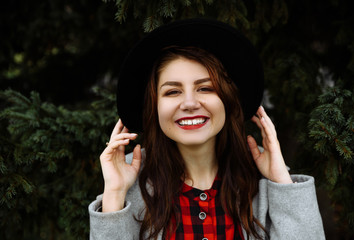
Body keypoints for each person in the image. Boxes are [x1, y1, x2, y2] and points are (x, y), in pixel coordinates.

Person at [88, 19, 325, 240]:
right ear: (154, 107)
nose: (190, 103)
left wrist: (282, 182)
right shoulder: (131, 186)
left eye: (205, 88)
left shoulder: (264, 183)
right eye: (172, 91)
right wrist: (115, 195)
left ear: (228, 100)